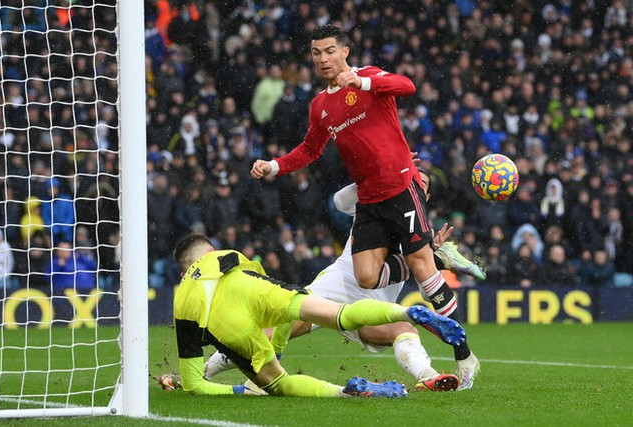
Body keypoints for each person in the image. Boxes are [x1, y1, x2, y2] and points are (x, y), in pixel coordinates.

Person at [251, 25, 477, 386]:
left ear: (345, 51)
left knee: (423, 271)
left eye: (329, 51)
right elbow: (310, 149)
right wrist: (275, 166)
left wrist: (361, 84)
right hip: (369, 200)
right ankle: (434, 257)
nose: (323, 59)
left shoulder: (370, 77)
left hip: (400, 187)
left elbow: (407, 86)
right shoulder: (320, 105)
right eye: (316, 53)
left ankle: (464, 354)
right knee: (367, 276)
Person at [199, 167, 481, 391]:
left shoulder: (419, 233)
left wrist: (431, 257)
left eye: (420, 184)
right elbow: (339, 201)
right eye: (410, 177)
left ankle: (430, 378)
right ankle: (203, 372)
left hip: (372, 306)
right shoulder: (371, 202)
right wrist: (378, 171)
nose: (413, 184)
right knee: (273, 333)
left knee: (403, 328)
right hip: (333, 289)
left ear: (426, 196)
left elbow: (426, 284)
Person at [165, 233, 466, 398]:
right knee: (346, 316)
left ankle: (345, 393)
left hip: (231, 323)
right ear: (211, 250)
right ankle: (410, 312)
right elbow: (255, 278)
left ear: (183, 271)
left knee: (277, 382)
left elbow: (194, 383)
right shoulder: (225, 256)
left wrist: (237, 388)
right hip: (264, 290)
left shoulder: (182, 301)